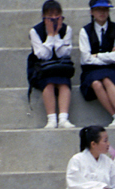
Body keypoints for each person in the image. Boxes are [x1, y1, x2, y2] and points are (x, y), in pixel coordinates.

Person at [80, 0, 115, 127]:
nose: (102, 12)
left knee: (107, 79)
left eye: (105, 9)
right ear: (92, 12)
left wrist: (97, 55)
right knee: (96, 83)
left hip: (112, 69)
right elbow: (86, 58)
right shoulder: (85, 31)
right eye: (98, 9)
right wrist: (109, 55)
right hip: (91, 70)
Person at [29, 0, 75, 130]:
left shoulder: (67, 29)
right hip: (42, 67)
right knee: (48, 83)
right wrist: (50, 36)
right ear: (44, 16)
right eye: (50, 15)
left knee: (64, 83)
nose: (54, 18)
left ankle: (63, 118)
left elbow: (63, 53)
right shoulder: (35, 31)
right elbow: (43, 55)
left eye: (57, 15)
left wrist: (57, 36)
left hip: (61, 66)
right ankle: (51, 119)